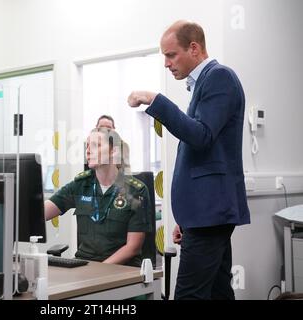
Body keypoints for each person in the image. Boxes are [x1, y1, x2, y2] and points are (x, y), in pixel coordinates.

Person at [127, 20, 250, 299]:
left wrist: (155, 99)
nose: (166, 64)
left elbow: (201, 136)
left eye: (171, 55)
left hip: (210, 213)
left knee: (188, 296)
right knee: (218, 292)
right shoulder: (202, 85)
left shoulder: (220, 77)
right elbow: (201, 154)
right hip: (203, 214)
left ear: (194, 48)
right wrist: (185, 216)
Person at [45, 127, 152, 267]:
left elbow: (132, 248)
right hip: (84, 265)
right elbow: (41, 212)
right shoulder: (81, 185)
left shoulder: (135, 190)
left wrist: (99, 270)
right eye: (87, 145)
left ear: (114, 151)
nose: (88, 150)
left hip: (121, 269)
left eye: (96, 145)